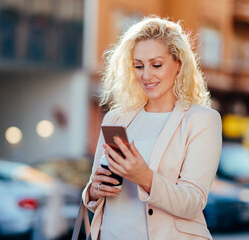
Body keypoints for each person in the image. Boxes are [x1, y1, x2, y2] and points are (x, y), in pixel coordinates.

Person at [82, 16, 222, 240]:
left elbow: (193, 203)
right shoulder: (115, 119)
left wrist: (144, 176)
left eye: (156, 65)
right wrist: (93, 190)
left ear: (179, 64)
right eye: (139, 66)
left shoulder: (202, 120)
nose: (146, 75)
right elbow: (95, 191)